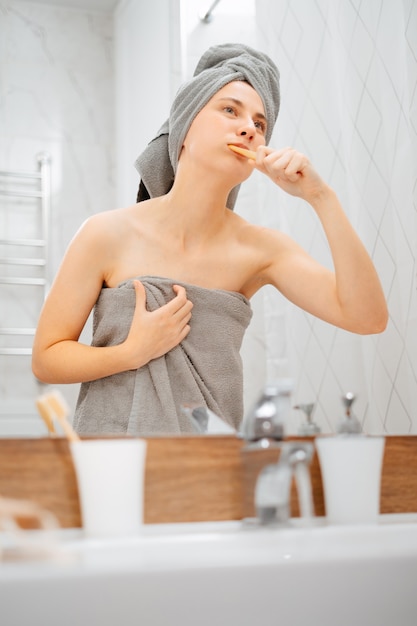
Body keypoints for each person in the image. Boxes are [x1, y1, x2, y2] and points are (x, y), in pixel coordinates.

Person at [32, 43, 388, 436]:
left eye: (260, 123)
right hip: (113, 466)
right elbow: (47, 357)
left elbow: (367, 318)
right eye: (230, 110)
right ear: (183, 128)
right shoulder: (105, 234)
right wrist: (130, 353)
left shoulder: (261, 250)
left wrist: (321, 197)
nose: (249, 128)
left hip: (211, 468)